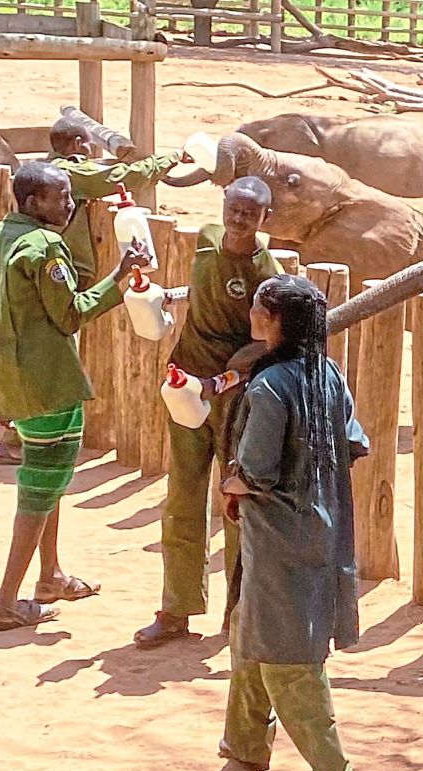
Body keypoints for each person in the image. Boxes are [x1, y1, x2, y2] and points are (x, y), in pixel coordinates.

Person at [0, 161, 148, 631]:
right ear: (32, 203)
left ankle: (50, 576)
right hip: (47, 384)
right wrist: (121, 277)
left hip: (5, 378)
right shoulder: (44, 247)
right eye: (62, 197)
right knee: (40, 486)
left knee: (48, 480)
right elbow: (71, 314)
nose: (71, 205)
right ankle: (7, 602)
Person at [217, 275, 367, 771]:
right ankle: (244, 743)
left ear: (280, 321)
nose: (254, 312)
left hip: (278, 536)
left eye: (262, 308)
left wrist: (231, 485)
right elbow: (352, 441)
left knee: (288, 656)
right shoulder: (327, 374)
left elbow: (256, 470)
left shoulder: (268, 385)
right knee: (250, 633)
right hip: (320, 524)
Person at [0, 117, 190, 465]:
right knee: (53, 357)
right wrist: (172, 158)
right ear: (78, 145)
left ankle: (19, 435)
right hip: (63, 280)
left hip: (42, 282)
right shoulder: (69, 176)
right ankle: (19, 439)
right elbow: (121, 178)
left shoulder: (47, 171)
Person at [133, 176, 280, 649]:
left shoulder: (267, 274)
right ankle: (176, 609)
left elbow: (268, 344)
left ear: (265, 219)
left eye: (249, 213)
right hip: (185, 390)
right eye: (233, 208)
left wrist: (225, 377)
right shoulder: (206, 239)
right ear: (223, 205)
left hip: (234, 400)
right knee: (181, 496)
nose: (238, 219)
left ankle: (239, 615)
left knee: (237, 502)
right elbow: (201, 294)